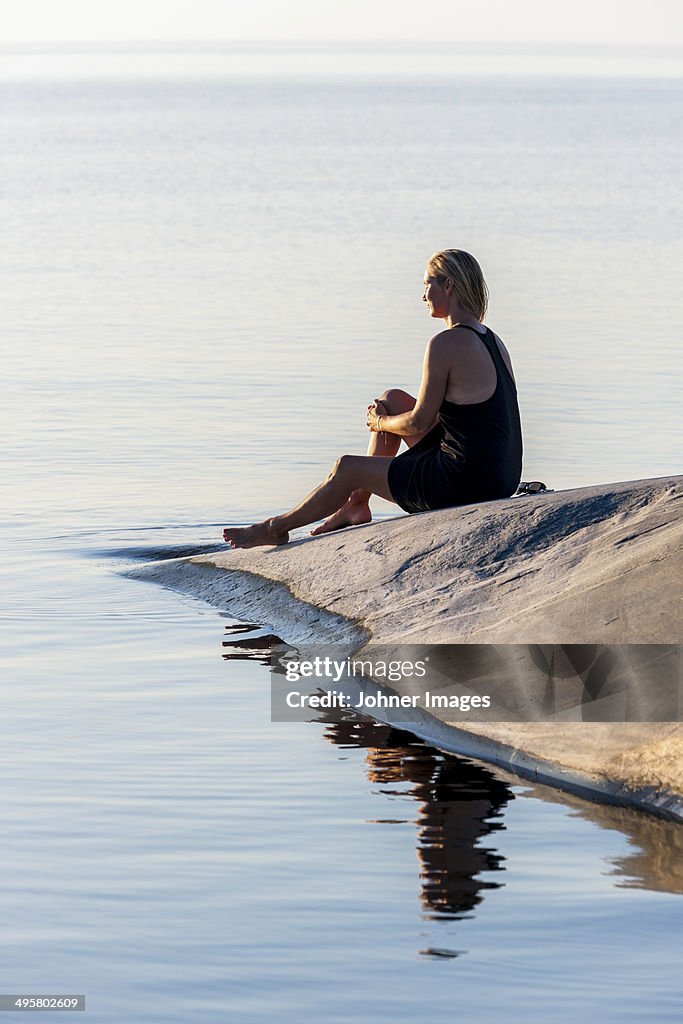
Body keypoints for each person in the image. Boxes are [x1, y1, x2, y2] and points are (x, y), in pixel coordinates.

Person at [223, 249, 522, 549]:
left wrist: (380, 422)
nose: (423, 296)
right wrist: (388, 417)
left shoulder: (445, 343)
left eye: (427, 284)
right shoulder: (493, 340)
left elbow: (419, 420)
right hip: (500, 477)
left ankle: (277, 527)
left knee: (347, 468)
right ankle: (356, 504)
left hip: (464, 482)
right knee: (392, 399)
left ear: (448, 286)